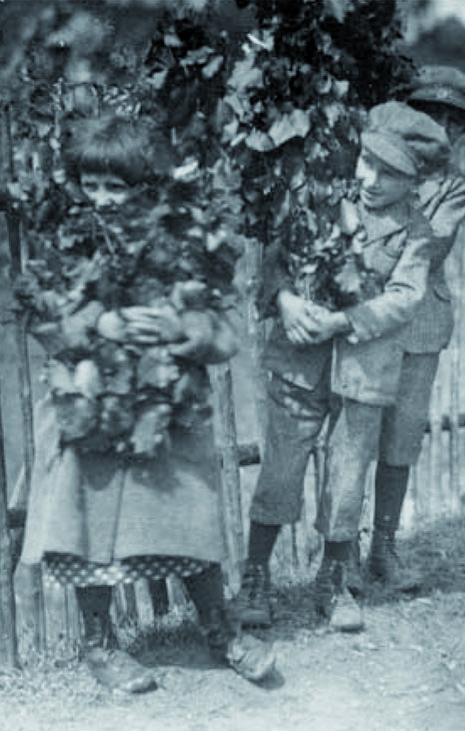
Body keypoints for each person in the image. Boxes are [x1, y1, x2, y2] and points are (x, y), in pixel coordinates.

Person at [19, 115, 275, 693]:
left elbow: (225, 328)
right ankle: (100, 644)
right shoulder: (66, 240)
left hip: (165, 402)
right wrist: (100, 321)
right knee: (89, 516)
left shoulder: (183, 241)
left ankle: (220, 631)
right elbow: (41, 313)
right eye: (93, 185)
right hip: (90, 400)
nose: (104, 200)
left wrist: (179, 326)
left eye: (119, 187)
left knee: (187, 508)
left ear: (147, 186)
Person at [233, 102, 448, 632]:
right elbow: (274, 261)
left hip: (364, 367)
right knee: (281, 467)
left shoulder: (416, 233)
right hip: (299, 360)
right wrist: (283, 300)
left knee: (349, 475)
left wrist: (342, 321)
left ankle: (332, 580)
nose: (371, 180)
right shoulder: (320, 196)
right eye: (367, 163)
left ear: (415, 180)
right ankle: (255, 577)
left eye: (391, 174)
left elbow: (403, 299)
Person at [356, 65, 465, 591]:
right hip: (366, 315)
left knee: (402, 438)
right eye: (431, 115)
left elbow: (434, 247)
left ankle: (382, 547)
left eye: (454, 122)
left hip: (421, 321)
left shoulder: (453, 187)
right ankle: (339, 551)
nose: (442, 130)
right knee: (353, 437)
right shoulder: (371, 169)